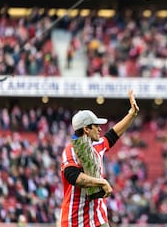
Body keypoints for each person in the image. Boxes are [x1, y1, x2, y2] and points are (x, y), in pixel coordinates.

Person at [60, 90, 139, 227]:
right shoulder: (70, 150)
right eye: (96, 125)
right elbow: (73, 176)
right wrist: (101, 182)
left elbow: (114, 134)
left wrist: (132, 114)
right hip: (75, 220)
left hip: (98, 218)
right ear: (86, 129)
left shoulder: (98, 145)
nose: (100, 129)